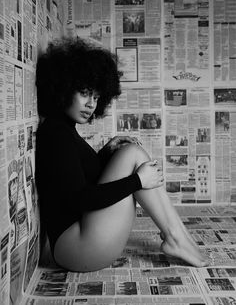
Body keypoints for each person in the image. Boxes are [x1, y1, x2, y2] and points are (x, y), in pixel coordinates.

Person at [35, 37, 208, 272]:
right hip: (76, 248)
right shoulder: (56, 133)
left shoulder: (64, 129)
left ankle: (178, 236)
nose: (91, 104)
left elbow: (79, 176)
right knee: (133, 155)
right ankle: (176, 237)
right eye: (84, 93)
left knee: (130, 153)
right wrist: (137, 181)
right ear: (64, 86)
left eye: (96, 97)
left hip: (80, 240)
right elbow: (81, 199)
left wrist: (107, 152)